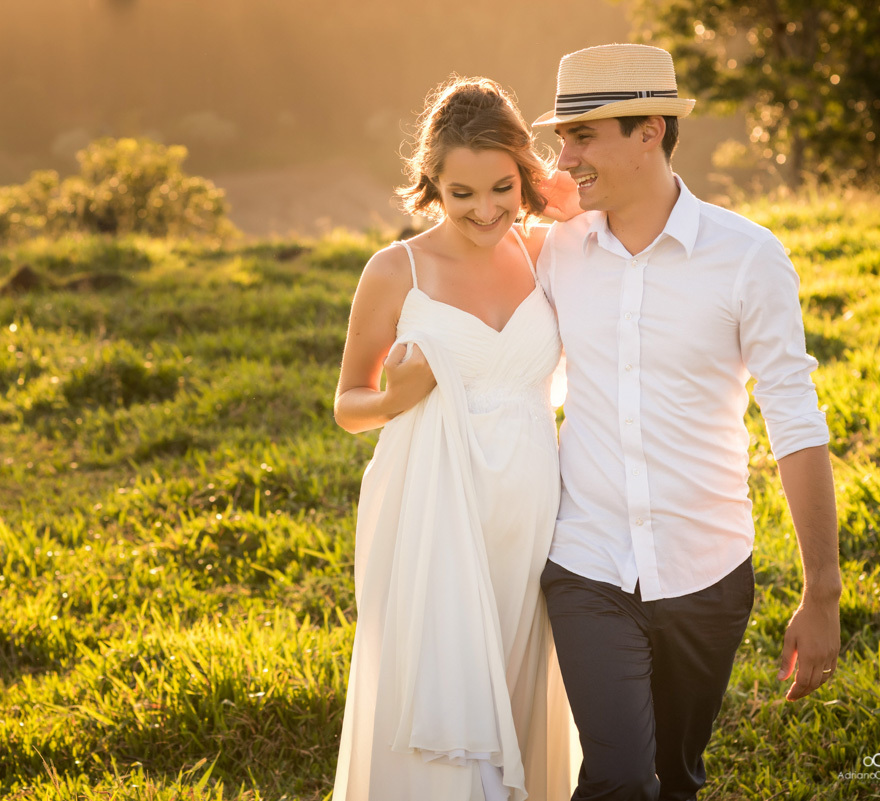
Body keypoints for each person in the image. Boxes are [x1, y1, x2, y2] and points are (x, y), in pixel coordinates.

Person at [531, 44, 842, 801]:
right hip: (585, 563)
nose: (564, 157)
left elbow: (794, 423)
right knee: (619, 777)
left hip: (708, 571)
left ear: (650, 132)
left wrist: (822, 593)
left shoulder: (748, 257)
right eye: (562, 137)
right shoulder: (556, 254)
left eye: (583, 136)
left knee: (675, 777)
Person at [331, 76, 581, 801]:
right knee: (446, 714)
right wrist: (395, 396)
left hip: (531, 514)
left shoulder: (545, 252)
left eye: (502, 187)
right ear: (431, 181)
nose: (484, 210)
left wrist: (563, 207)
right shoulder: (395, 271)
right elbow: (348, 404)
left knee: (516, 684)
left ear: (524, 173)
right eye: (460, 193)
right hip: (432, 515)